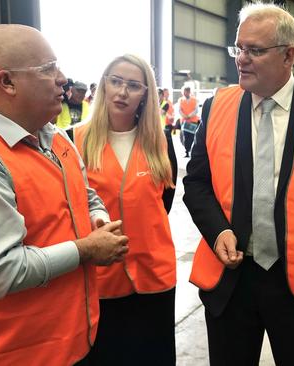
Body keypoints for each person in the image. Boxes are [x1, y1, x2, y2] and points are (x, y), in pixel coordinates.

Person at [183, 3, 294, 365]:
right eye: (239, 48)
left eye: (255, 50)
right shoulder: (218, 106)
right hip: (231, 279)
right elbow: (196, 182)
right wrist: (218, 231)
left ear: (288, 55)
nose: (241, 59)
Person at [0, 24, 129, 365]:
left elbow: (85, 196)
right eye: (48, 70)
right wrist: (87, 249)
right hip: (8, 354)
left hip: (70, 342)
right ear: (6, 82)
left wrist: (99, 221)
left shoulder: (55, 139)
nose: (63, 79)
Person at [74, 54, 178, 365]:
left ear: (146, 93)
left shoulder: (159, 141)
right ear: (104, 85)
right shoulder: (74, 139)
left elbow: (163, 203)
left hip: (154, 274)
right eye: (116, 81)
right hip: (101, 278)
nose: (122, 92)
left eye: (133, 85)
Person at [178, 85, 200, 157]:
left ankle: (191, 150)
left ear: (189, 92)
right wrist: (184, 116)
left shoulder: (195, 100)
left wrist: (189, 116)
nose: (185, 93)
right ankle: (186, 151)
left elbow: (196, 110)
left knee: (192, 136)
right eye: (184, 92)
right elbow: (179, 110)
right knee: (185, 136)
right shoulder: (180, 100)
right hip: (185, 121)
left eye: (187, 92)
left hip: (193, 121)